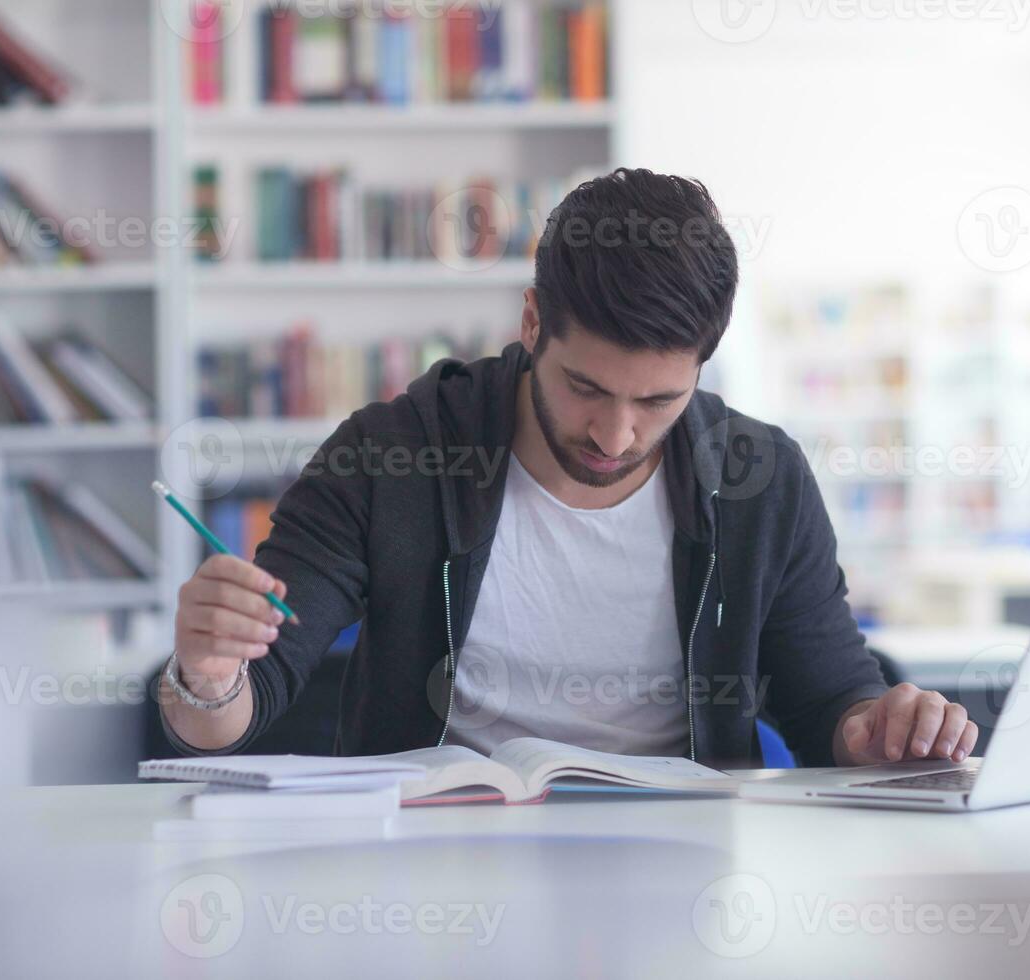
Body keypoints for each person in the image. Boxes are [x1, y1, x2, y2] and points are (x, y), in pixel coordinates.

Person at [159, 167, 979, 768]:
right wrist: (207, 676)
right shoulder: (391, 453)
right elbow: (244, 702)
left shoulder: (758, 478)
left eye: (657, 401)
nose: (616, 436)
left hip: (686, 870)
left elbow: (830, 702)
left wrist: (876, 729)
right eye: (585, 387)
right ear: (530, 322)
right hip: (432, 873)